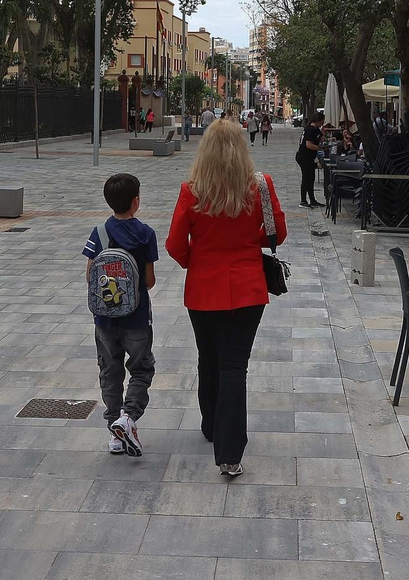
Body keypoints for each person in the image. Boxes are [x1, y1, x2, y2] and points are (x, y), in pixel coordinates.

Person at [165, 120, 287, 476]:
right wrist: (247, 244)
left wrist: (197, 260)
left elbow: (174, 245)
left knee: (208, 357)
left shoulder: (192, 190)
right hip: (248, 287)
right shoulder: (260, 186)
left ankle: (210, 425)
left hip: (203, 288)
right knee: (235, 366)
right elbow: (277, 232)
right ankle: (230, 452)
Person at [82, 173, 158, 458]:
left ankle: (114, 430)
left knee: (109, 371)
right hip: (137, 318)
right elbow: (149, 281)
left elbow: (90, 275)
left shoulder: (99, 232)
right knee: (141, 368)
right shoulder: (146, 233)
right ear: (136, 202)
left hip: (104, 319)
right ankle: (128, 418)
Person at [297, 112, 325, 208]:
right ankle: (303, 201)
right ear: (319, 121)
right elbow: (308, 145)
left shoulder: (316, 129)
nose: (323, 123)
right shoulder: (309, 129)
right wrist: (319, 148)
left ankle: (312, 200)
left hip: (310, 157)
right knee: (306, 178)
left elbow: (321, 137)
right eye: (322, 121)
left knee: (311, 178)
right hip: (304, 157)